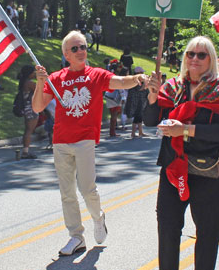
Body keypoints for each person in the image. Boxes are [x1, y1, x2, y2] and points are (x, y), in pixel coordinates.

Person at [32, 30, 147, 256]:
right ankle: (76, 236)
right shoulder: (56, 79)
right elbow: (37, 107)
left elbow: (120, 81)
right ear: (66, 53)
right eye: (75, 48)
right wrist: (40, 83)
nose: (81, 51)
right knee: (67, 193)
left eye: (83, 46)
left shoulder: (95, 75)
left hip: (84, 139)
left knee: (87, 189)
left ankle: (98, 217)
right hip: (61, 141)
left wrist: (137, 79)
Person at [143, 36, 219, 270]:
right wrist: (152, 95)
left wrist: (183, 129)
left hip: (211, 166)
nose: (194, 59)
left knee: (207, 226)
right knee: (168, 221)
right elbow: (150, 121)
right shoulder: (172, 87)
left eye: (201, 55)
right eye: (190, 54)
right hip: (174, 164)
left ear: (211, 59)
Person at [17, 65, 39, 159]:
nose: (34, 73)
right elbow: (41, 89)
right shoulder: (29, 83)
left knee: (28, 130)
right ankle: (25, 152)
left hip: (27, 107)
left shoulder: (24, 82)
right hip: (30, 108)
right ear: (29, 74)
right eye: (33, 72)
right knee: (29, 130)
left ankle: (26, 150)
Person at [125, 67, 149, 138]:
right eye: (142, 73)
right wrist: (145, 84)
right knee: (137, 116)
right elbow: (140, 89)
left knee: (139, 116)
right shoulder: (135, 80)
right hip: (135, 101)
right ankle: (133, 133)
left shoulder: (140, 81)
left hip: (140, 101)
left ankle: (140, 132)